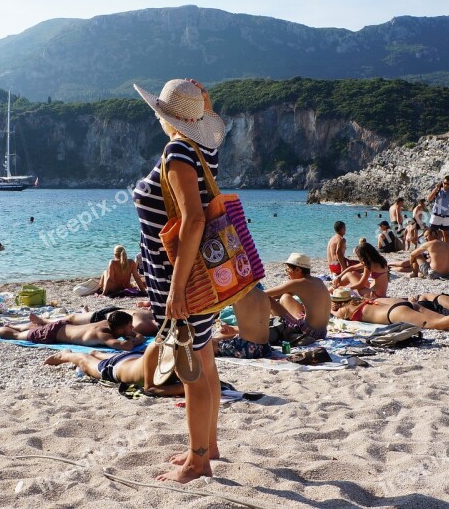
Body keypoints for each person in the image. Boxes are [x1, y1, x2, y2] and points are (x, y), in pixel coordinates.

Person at [132, 78, 264, 483]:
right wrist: (202, 105)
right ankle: (208, 444)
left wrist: (175, 289)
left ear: (164, 116)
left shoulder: (177, 152)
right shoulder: (203, 149)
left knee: (193, 369)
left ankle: (198, 460)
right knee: (204, 360)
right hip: (206, 274)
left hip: (184, 278)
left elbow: (192, 221)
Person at [330, 289, 449, 332]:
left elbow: (332, 317)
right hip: (403, 304)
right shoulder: (362, 300)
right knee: (447, 323)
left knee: (437, 324)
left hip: (395, 314)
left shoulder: (344, 311)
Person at [44, 342, 184, 396]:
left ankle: (96, 353)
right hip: (116, 368)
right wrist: (183, 388)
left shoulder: (188, 349)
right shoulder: (157, 347)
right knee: (84, 361)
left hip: (133, 358)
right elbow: (150, 389)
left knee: (98, 355)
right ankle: (65, 355)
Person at [0, 311, 141, 350]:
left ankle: (12, 324)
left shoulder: (109, 323)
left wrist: (133, 336)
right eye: (129, 326)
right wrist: (134, 340)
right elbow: (125, 346)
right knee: (17, 335)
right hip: (52, 334)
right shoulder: (102, 333)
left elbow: (135, 336)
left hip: (61, 327)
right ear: (119, 328)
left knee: (33, 328)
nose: (132, 329)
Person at [265, 253, 331, 340]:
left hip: (308, 333)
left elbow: (263, 294)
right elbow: (286, 293)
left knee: (268, 299)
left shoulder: (297, 283)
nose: (287, 273)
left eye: (288, 269)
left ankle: (276, 325)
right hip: (322, 332)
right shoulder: (318, 281)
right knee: (286, 297)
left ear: (297, 270)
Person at [28, 306, 158, 336]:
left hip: (109, 314)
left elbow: (121, 331)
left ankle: (85, 314)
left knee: (74, 319)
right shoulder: (143, 325)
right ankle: (44, 320)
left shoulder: (155, 315)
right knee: (71, 318)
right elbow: (125, 332)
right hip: (107, 315)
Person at [427, 175, 449, 243]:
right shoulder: (438, 189)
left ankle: (448, 250)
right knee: (432, 234)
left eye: (448, 184)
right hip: (436, 214)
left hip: (446, 215)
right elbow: (429, 199)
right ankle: (431, 250)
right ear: (442, 182)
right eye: (445, 183)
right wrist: (436, 189)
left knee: (446, 235)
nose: (446, 185)